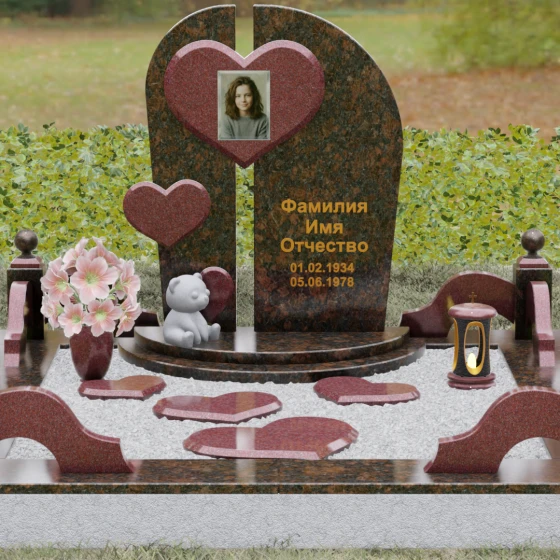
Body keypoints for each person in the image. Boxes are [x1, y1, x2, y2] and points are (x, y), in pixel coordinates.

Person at [219, 76, 269, 140]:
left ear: (254, 96)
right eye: (238, 96)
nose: (243, 100)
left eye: (247, 95)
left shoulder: (263, 119)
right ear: (233, 98)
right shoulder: (227, 119)